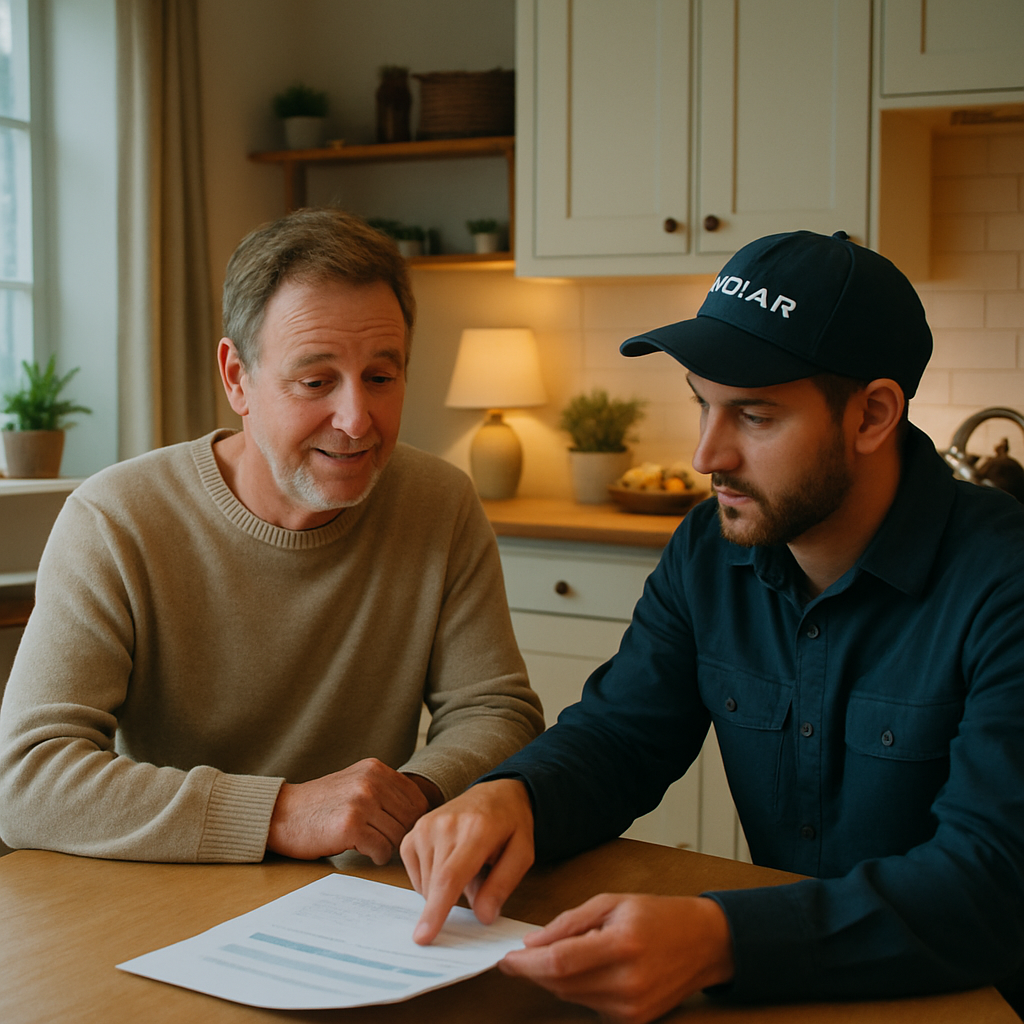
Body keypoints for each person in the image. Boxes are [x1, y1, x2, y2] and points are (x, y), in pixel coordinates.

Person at [400, 230, 1024, 1022]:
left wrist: (722, 938)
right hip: (784, 992)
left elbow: (993, 883)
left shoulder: (1004, 581)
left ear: (872, 415)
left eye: (754, 416)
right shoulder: (708, 550)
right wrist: (513, 796)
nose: (705, 453)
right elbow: (622, 737)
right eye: (701, 402)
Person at [0, 208, 543, 865]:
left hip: (356, 893)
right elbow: (26, 779)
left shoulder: (440, 503)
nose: (355, 419)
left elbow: (499, 713)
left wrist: (400, 800)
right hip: (158, 890)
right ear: (237, 378)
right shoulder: (116, 517)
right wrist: (284, 814)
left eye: (381, 377)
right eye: (315, 382)